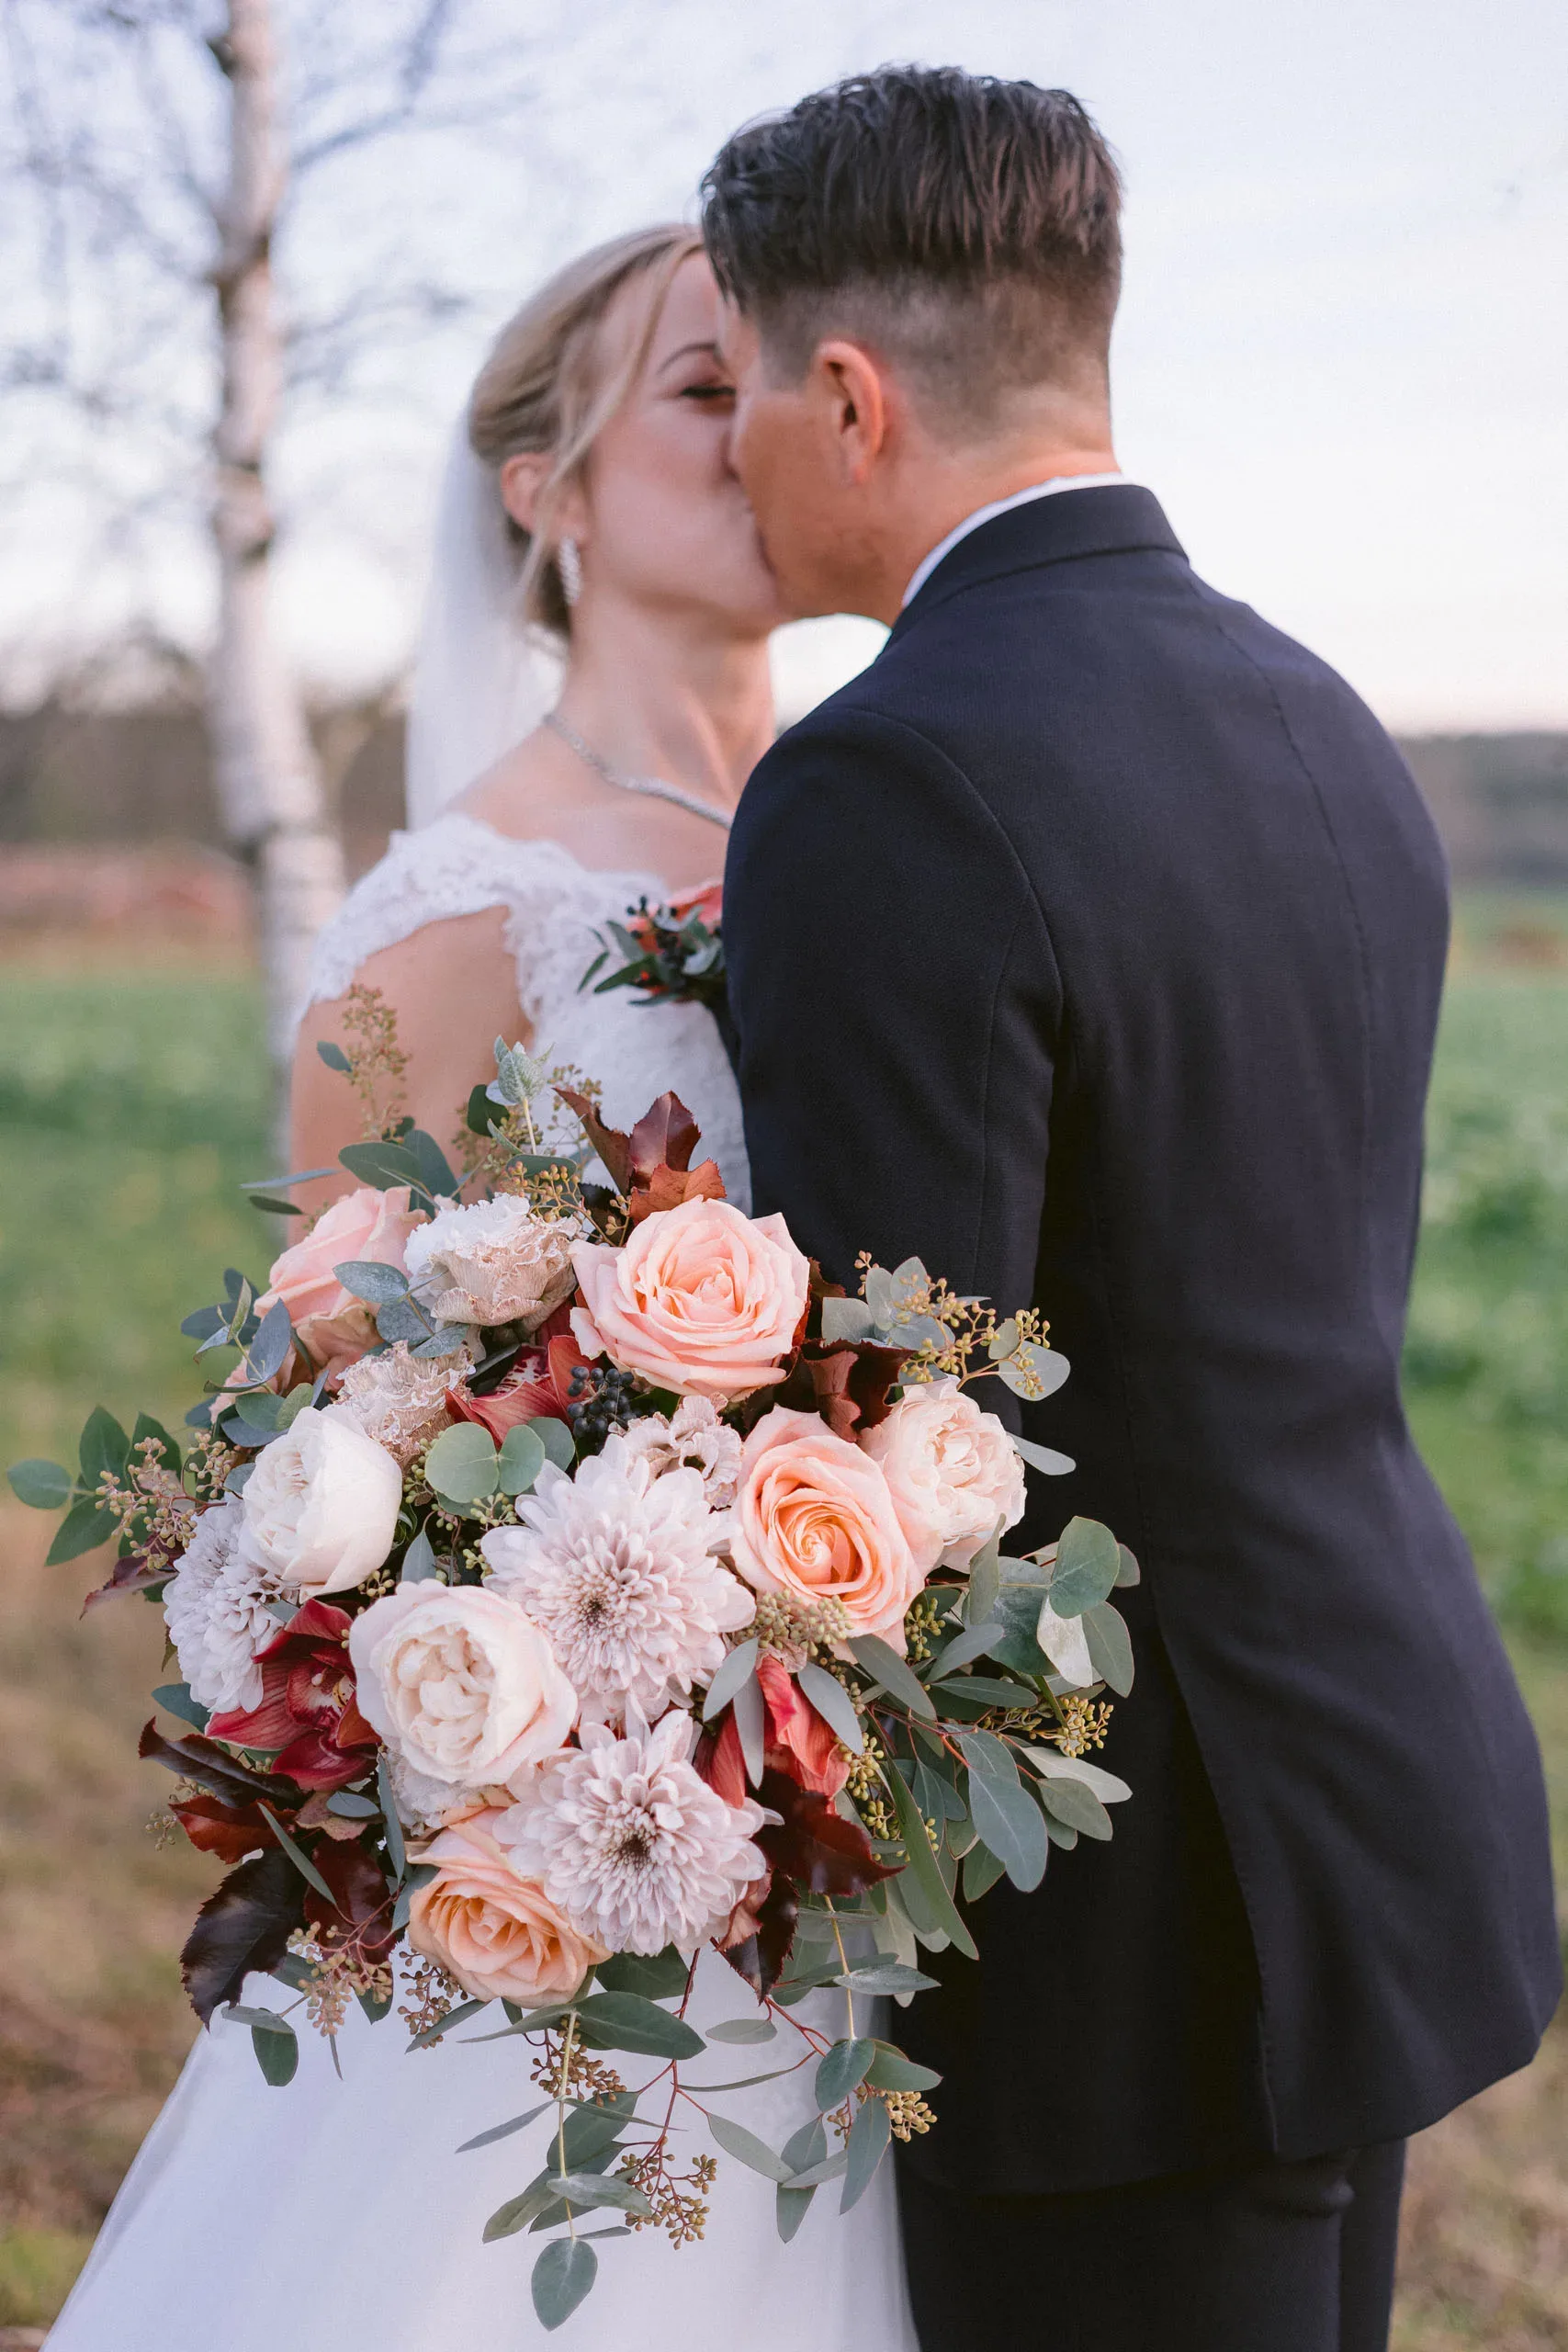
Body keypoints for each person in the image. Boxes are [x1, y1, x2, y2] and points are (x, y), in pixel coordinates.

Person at [704, 65, 1561, 2352]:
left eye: (747, 385)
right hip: (1369, 1793)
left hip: (1122, 1911)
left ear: (851, 397)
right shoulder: (1314, 714)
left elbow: (899, 1434)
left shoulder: (883, 774)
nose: (734, 447)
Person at [46, 226, 919, 2352]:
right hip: (588, 1816)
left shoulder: (891, 830)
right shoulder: (465, 906)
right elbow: (320, 1407)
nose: (766, 422)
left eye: (785, 375)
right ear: (546, 490)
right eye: (698, 389)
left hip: (860, 1775)